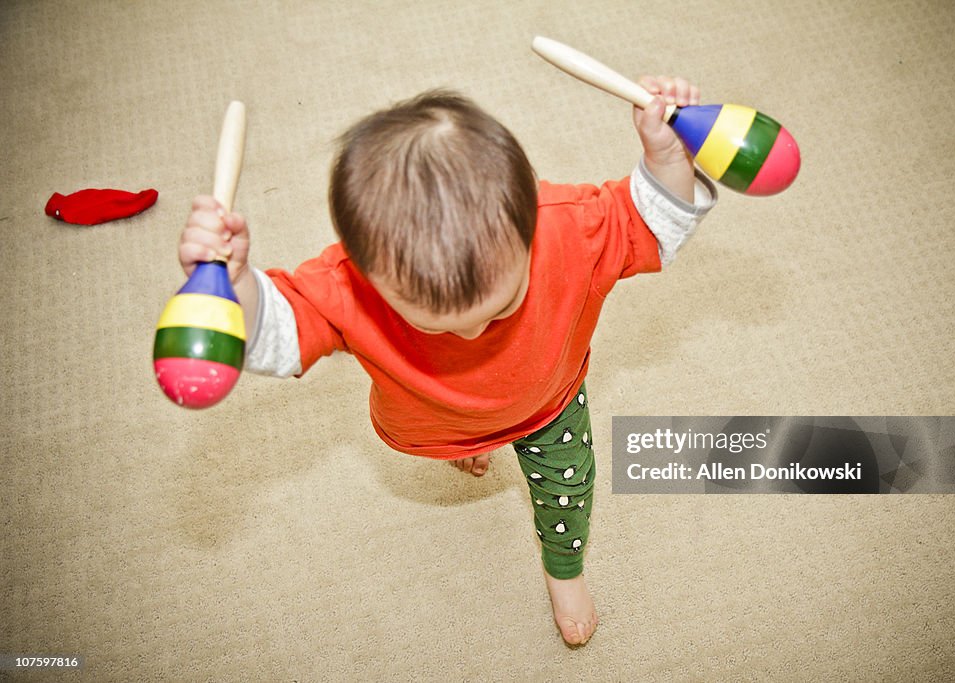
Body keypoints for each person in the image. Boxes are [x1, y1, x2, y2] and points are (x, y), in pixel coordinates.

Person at [179, 76, 716, 646]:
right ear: (363, 269)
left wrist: (665, 156)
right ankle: (473, 444)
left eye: (499, 306)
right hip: (436, 420)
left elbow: (657, 219)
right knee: (461, 440)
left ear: (530, 214)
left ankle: (564, 567)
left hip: (549, 405)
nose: (472, 333)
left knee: (568, 492)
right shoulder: (347, 287)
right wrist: (233, 283)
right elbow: (276, 332)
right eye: (435, 322)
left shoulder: (567, 226)